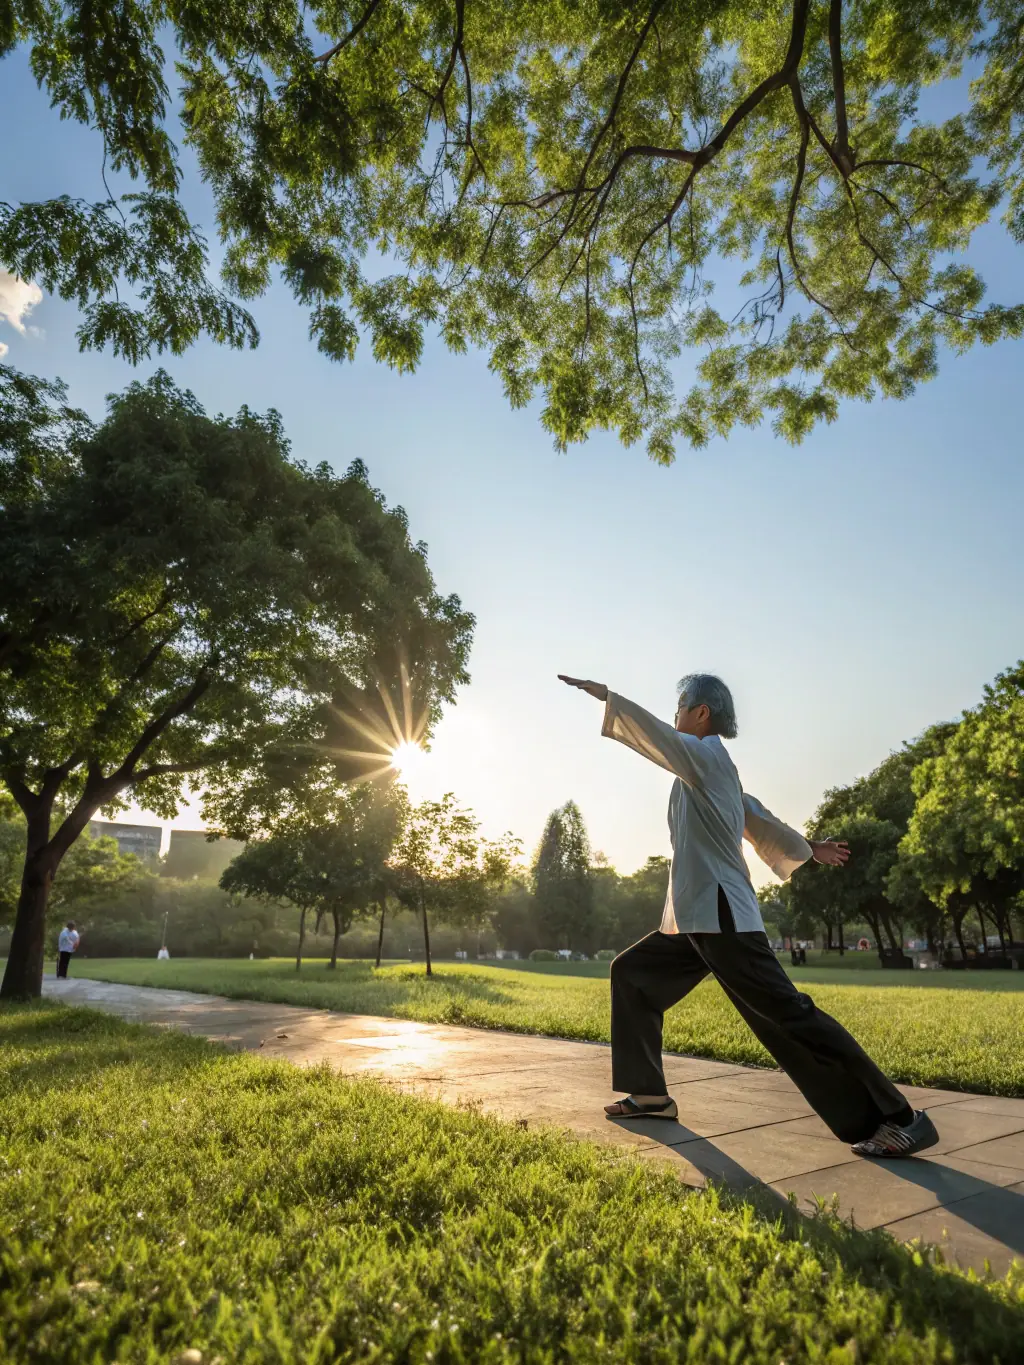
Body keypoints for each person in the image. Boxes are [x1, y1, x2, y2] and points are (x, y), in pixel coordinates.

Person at [558, 672, 939, 1160]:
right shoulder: (705, 769)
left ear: (701, 714)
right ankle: (650, 1095)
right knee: (632, 974)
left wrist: (609, 699)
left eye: (680, 708)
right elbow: (752, 815)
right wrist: (807, 847)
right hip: (694, 920)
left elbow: (660, 739)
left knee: (790, 1017)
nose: (675, 717)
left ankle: (902, 1119)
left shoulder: (705, 756)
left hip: (722, 919)